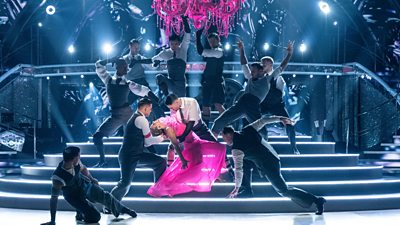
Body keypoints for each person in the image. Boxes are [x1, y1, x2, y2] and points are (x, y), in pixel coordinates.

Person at [221, 116, 326, 215]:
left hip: (268, 164)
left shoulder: (236, 149)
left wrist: (236, 187)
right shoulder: (248, 129)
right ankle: (247, 190)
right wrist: (280, 118)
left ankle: (317, 200)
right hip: (273, 157)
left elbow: (238, 169)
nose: (225, 140)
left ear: (229, 134)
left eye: (224, 137)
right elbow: (264, 120)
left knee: (283, 190)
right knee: (246, 162)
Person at [211, 40, 293, 138]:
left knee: (262, 131)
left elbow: (281, 67)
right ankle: (211, 142)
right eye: (252, 71)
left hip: (253, 105)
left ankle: (265, 148)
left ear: (261, 71)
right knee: (219, 121)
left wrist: (289, 54)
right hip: (241, 103)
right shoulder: (250, 77)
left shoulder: (267, 79)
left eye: (254, 71)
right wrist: (242, 50)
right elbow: (244, 63)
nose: (252, 72)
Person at [40, 146, 137, 225]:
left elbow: (83, 169)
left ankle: (124, 209)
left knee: (106, 196)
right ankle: (81, 211)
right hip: (73, 196)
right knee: (95, 217)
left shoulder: (76, 162)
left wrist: (92, 179)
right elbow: (53, 199)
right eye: (79, 155)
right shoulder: (58, 178)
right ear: (74, 158)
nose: (80, 157)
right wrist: (52, 220)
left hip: (83, 185)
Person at [92, 58, 159, 167]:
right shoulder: (108, 79)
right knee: (97, 137)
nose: (127, 69)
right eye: (124, 66)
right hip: (115, 115)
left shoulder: (128, 83)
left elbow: (144, 90)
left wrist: (156, 99)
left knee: (142, 136)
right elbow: (98, 65)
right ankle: (102, 160)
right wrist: (110, 59)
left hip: (127, 114)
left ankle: (157, 157)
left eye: (127, 67)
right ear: (117, 66)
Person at [147, 116, 226, 197]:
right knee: (192, 170)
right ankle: (174, 188)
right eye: (154, 124)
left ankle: (209, 180)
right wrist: (182, 159)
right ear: (159, 127)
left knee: (197, 167)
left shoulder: (168, 122)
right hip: (191, 145)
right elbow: (176, 146)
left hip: (195, 141)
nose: (154, 121)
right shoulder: (168, 129)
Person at [110, 98, 167, 202]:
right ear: (145, 108)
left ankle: (158, 189)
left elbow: (145, 142)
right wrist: (162, 138)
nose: (150, 111)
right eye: (150, 109)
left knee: (160, 162)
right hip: (129, 156)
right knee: (125, 183)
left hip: (136, 154)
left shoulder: (137, 117)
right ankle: (109, 204)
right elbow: (148, 141)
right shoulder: (141, 119)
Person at [259, 73, 300, 154]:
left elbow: (280, 94)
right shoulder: (260, 79)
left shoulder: (278, 79)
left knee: (289, 125)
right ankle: (261, 146)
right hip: (263, 105)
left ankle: (294, 147)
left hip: (277, 106)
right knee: (252, 121)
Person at [152, 15, 191, 97]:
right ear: (169, 43)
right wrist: (155, 63)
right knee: (159, 77)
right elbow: (154, 59)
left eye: (176, 44)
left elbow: (187, 33)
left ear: (179, 43)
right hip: (170, 83)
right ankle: (166, 97)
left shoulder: (183, 49)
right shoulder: (165, 53)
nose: (174, 46)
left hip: (180, 84)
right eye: (172, 44)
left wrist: (184, 20)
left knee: (181, 105)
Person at [196, 29, 225, 125]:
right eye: (210, 41)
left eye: (213, 41)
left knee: (218, 105)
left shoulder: (219, 52)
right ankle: (206, 127)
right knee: (205, 105)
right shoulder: (212, 52)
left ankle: (227, 123)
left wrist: (198, 36)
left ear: (218, 40)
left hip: (216, 82)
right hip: (208, 82)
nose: (211, 43)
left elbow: (201, 51)